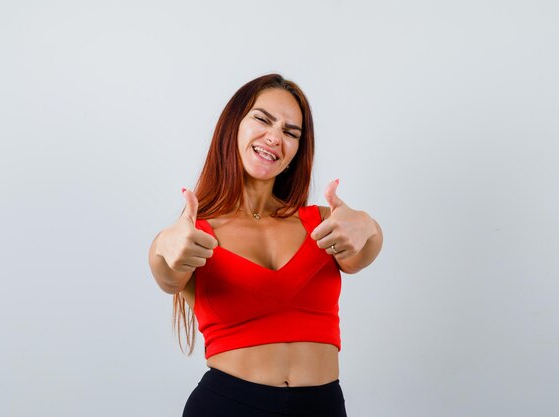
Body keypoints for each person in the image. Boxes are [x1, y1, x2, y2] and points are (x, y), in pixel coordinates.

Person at [148, 74, 383, 417]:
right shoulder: (194, 234)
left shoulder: (323, 223)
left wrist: (369, 227)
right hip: (227, 406)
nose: (275, 137)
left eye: (291, 132)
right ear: (233, 126)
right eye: (262, 119)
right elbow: (166, 272)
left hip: (322, 407)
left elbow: (363, 252)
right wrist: (165, 247)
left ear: (296, 152)